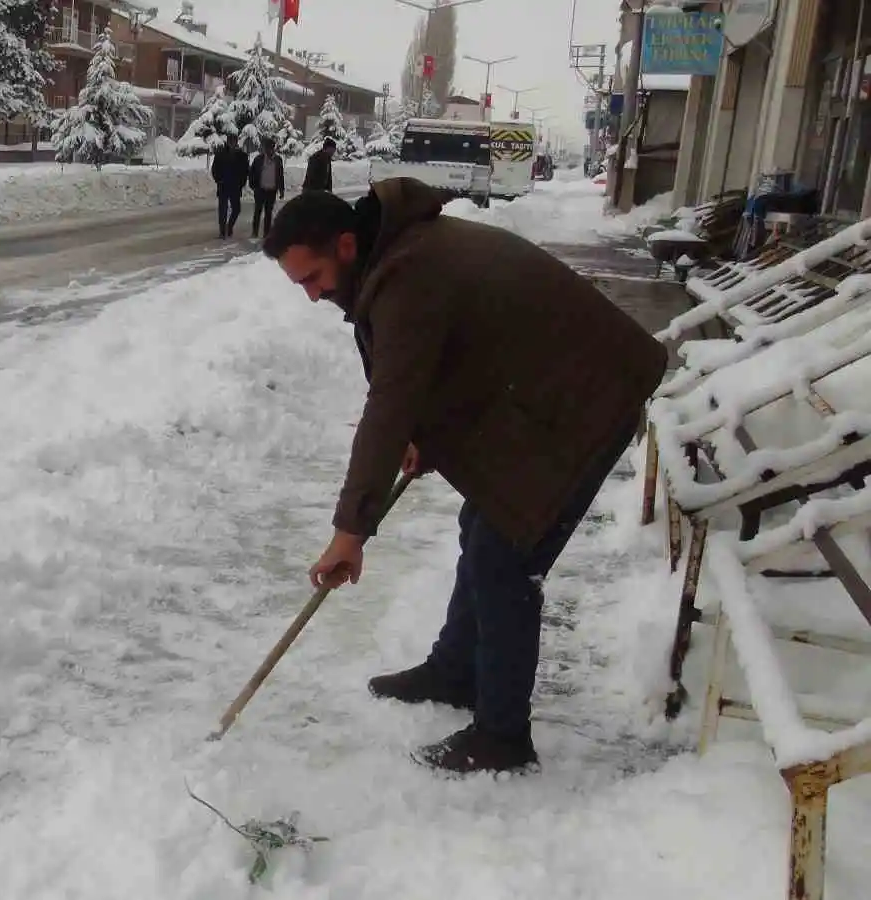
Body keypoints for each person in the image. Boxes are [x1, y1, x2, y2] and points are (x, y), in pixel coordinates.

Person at [260, 178, 668, 776]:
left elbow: (390, 402)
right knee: (483, 522)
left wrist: (351, 529)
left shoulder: (409, 275)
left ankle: (502, 737)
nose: (313, 296)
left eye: (312, 279)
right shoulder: (399, 258)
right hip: (548, 387)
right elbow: (443, 360)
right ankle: (457, 670)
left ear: (346, 245)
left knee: (504, 559)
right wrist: (424, 436)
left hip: (590, 398)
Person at [210, 135, 251, 239]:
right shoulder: (220, 154)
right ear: (227, 142)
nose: (232, 143)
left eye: (234, 141)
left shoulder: (242, 155)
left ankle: (230, 226)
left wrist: (241, 183)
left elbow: (246, 171)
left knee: (236, 209)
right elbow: (214, 169)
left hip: (235, 187)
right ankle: (222, 231)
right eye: (230, 141)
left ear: (236, 142)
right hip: (223, 186)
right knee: (222, 210)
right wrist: (218, 180)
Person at [248, 137, 286, 239]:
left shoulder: (278, 160)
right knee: (258, 211)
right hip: (260, 189)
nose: (269, 150)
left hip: (271, 190)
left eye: (271, 148)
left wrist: (281, 189)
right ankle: (255, 232)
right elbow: (251, 173)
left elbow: (280, 175)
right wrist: (253, 185)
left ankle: (266, 233)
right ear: (264, 148)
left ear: (273, 148)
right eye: (267, 148)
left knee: (268, 213)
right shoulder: (258, 159)